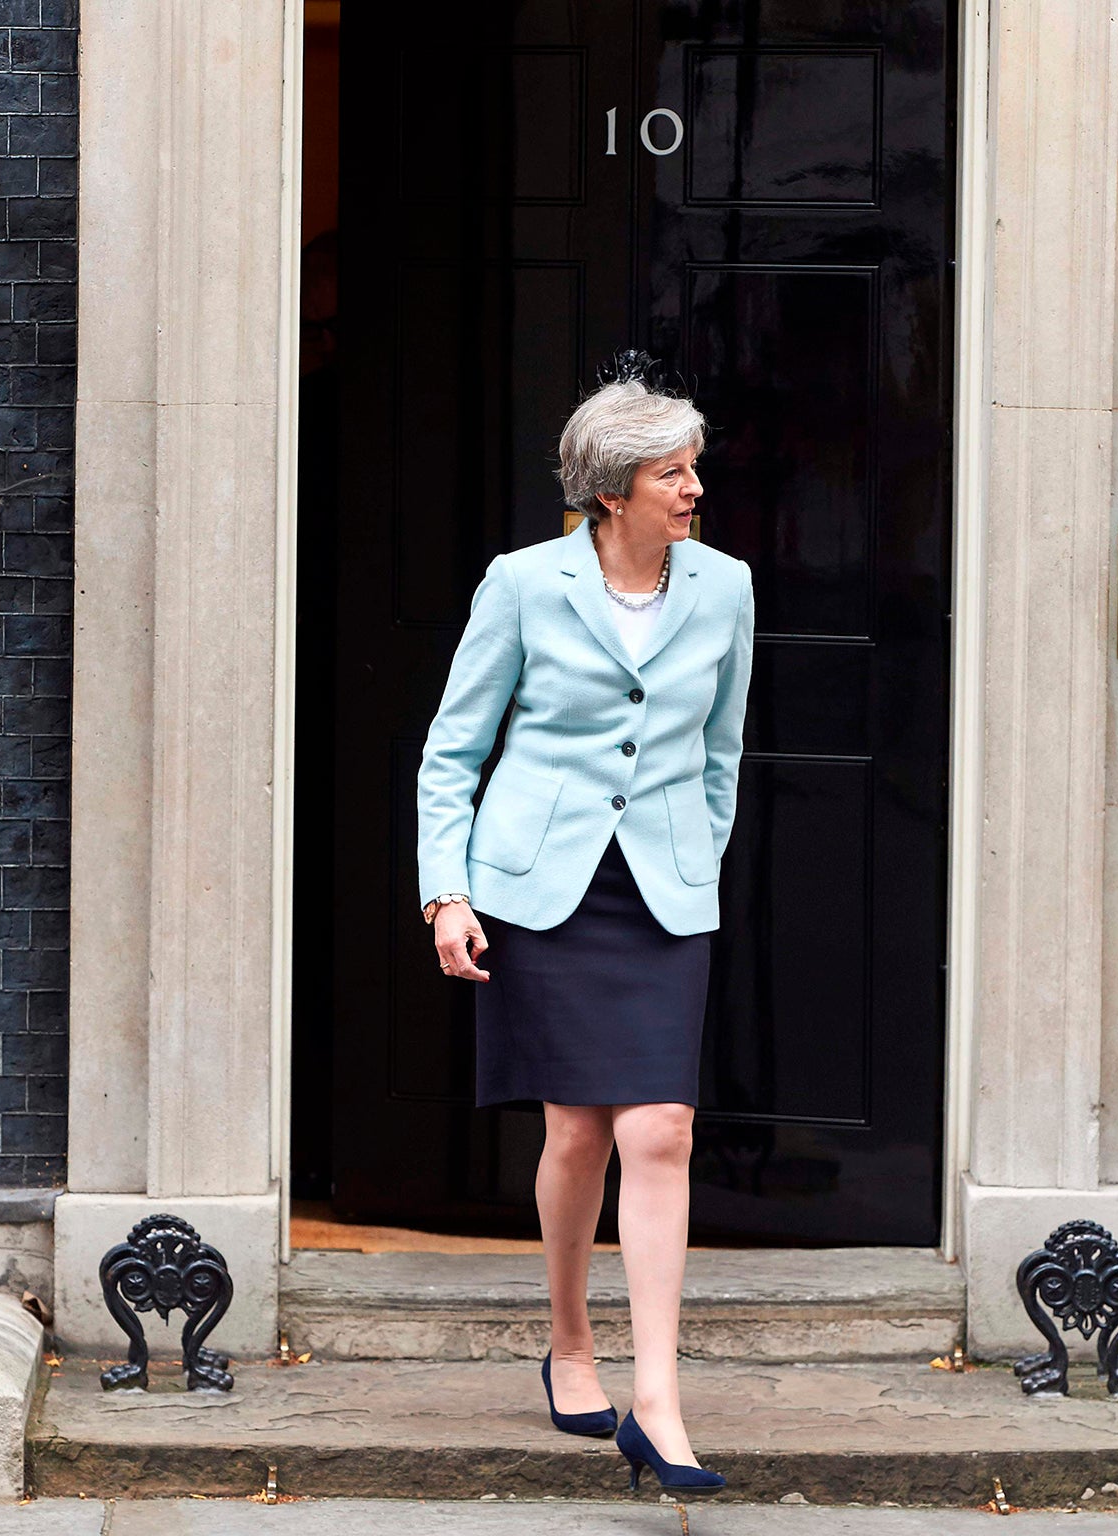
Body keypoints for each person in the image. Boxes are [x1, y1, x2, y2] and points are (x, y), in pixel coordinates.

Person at [416, 368, 755, 1496]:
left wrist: (695, 855)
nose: (693, 489)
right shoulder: (521, 586)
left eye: (691, 468)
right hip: (541, 890)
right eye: (673, 473)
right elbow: (452, 753)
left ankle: (656, 1401)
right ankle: (569, 1339)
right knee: (576, 1135)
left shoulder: (724, 589)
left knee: (659, 1127)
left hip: (659, 892)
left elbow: (720, 754)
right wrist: (446, 893)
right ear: (613, 492)